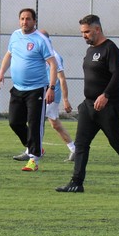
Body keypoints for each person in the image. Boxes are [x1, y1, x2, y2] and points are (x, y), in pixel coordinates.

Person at [56, 15, 119, 194]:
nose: (84, 35)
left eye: (87, 32)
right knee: (81, 144)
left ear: (97, 29)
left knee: (117, 143)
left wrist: (105, 95)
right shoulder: (90, 50)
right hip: (89, 106)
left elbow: (117, 75)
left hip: (109, 106)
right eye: (82, 32)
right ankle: (76, 182)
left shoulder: (110, 48)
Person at [0, 7, 58, 172]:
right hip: (18, 88)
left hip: (37, 89)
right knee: (14, 122)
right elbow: (9, 55)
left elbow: (53, 64)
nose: (25, 21)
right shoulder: (15, 36)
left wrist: (51, 87)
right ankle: (33, 147)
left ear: (34, 21)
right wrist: (1, 74)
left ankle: (33, 159)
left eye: (28, 19)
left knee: (35, 124)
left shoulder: (40, 39)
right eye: (22, 18)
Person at [41, 31, 76, 161]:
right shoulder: (41, 54)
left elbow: (61, 78)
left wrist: (65, 100)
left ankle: (33, 149)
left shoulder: (54, 56)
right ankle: (74, 149)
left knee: (37, 120)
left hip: (51, 94)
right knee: (54, 124)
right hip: (42, 92)